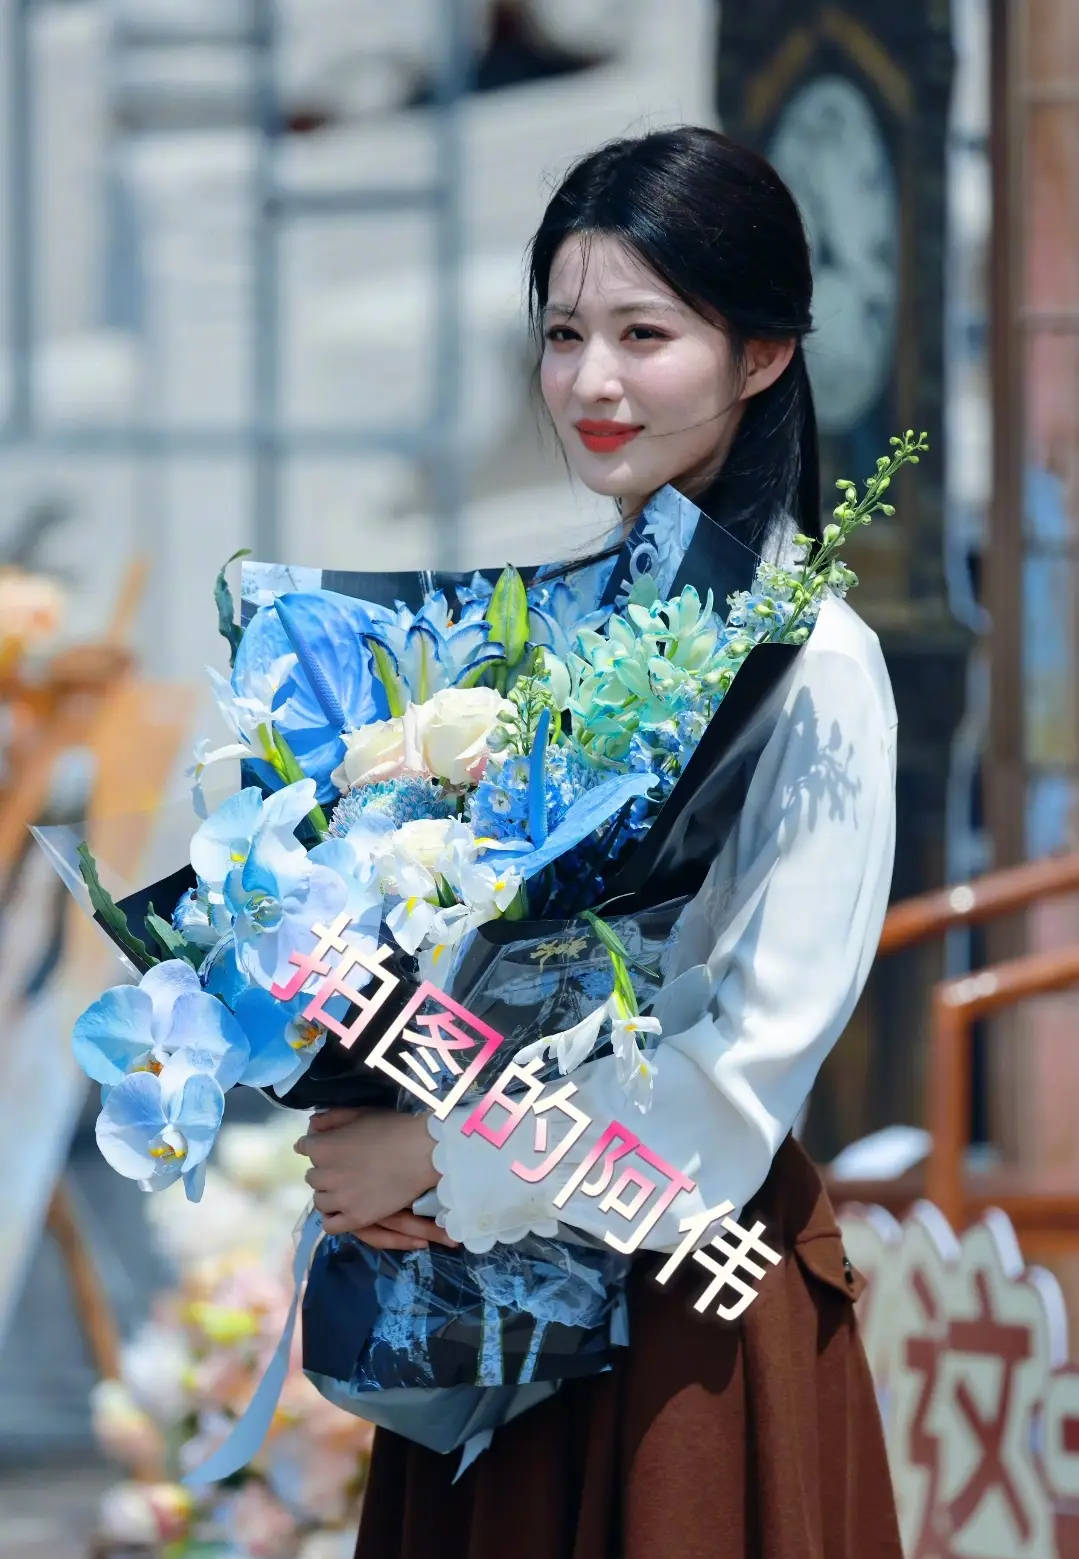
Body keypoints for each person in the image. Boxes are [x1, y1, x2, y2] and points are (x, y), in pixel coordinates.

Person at [294, 127, 903, 1558]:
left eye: (646, 333)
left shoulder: (815, 663)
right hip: (479, 1321)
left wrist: (436, 1157)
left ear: (761, 355)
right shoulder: (533, 637)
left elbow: (738, 1078)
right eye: (564, 334)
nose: (591, 382)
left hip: (685, 1329)